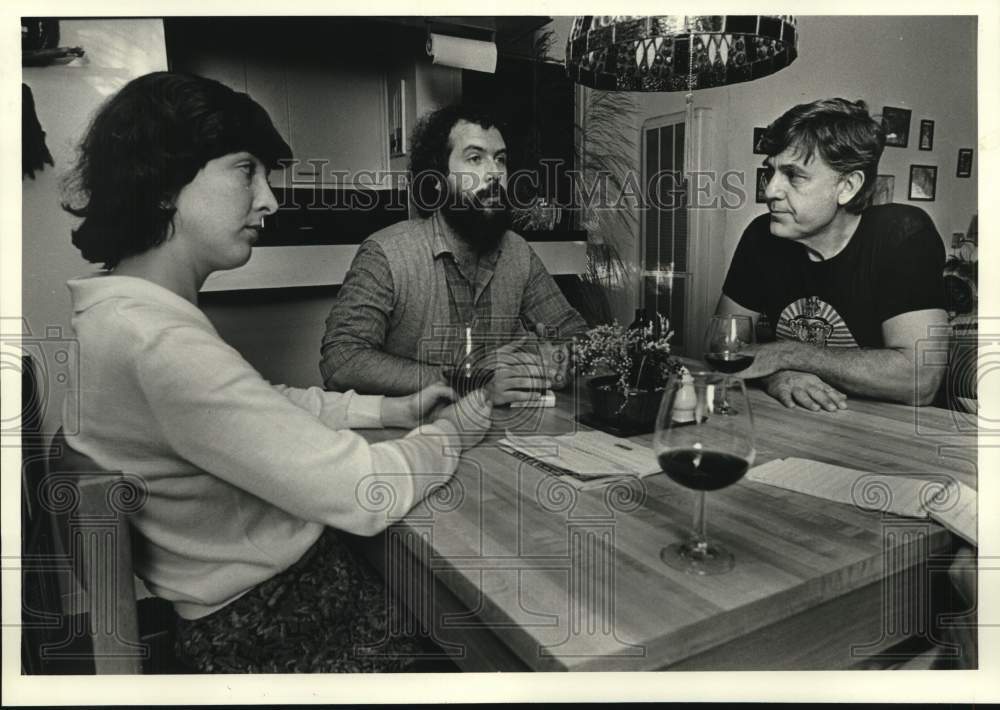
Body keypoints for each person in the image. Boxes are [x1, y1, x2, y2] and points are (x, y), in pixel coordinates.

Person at [60, 71, 492, 673]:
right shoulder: (155, 342)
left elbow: (257, 403)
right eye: (245, 171)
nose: (270, 199)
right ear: (163, 184)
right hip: (279, 629)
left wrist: (386, 411)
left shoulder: (121, 316)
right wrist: (457, 433)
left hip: (243, 616)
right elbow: (363, 491)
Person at [320, 104, 588, 403]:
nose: (494, 173)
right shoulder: (387, 254)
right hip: (407, 438)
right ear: (437, 178)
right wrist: (469, 382)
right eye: (475, 158)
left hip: (495, 438)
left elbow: (575, 333)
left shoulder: (518, 253)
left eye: (500, 160)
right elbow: (341, 361)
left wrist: (558, 359)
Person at [718, 98, 948, 410]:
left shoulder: (903, 235)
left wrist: (788, 354)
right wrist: (775, 376)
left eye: (793, 175)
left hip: (888, 438)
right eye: (770, 172)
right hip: (799, 425)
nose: (771, 190)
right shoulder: (762, 236)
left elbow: (920, 381)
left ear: (848, 186)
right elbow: (722, 347)